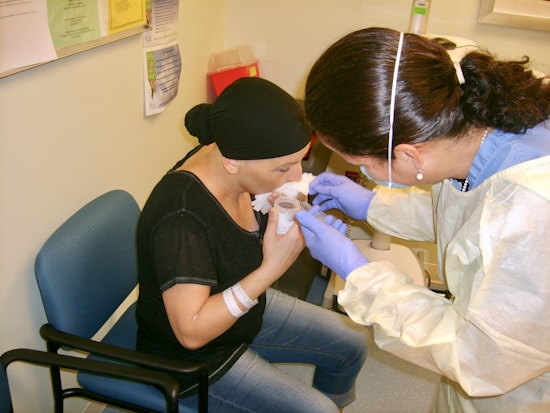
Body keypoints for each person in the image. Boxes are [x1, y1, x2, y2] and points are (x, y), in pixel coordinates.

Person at [296, 27, 550, 412]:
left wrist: (359, 273)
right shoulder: (473, 125)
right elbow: (467, 212)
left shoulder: (533, 210)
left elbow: (480, 358)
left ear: (410, 156)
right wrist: (371, 204)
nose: (361, 171)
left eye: (362, 164)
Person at [135, 77, 367, 413]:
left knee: (352, 343)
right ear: (232, 163)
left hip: (242, 308)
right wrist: (272, 267)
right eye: (283, 168)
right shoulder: (182, 219)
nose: (295, 176)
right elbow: (192, 333)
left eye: (301, 160)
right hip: (193, 360)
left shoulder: (229, 159)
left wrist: (290, 214)